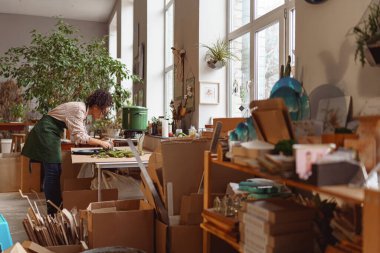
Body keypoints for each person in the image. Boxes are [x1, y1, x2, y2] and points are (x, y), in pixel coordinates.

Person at [21, 89, 113, 215]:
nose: (103, 116)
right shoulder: (78, 109)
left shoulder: (83, 111)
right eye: (104, 112)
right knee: (53, 172)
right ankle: (53, 212)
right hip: (46, 133)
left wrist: (99, 141)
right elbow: (80, 137)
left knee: (55, 170)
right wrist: (101, 143)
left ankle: (56, 207)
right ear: (96, 107)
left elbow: (79, 134)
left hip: (51, 134)